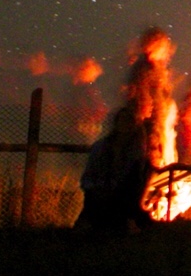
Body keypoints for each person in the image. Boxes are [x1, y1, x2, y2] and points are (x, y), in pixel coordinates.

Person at [76, 99, 153, 232]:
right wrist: (98, 188)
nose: (125, 125)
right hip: (99, 190)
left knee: (144, 167)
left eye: (129, 121)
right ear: (116, 123)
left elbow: (134, 180)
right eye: (122, 120)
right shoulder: (101, 147)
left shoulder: (136, 151)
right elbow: (88, 176)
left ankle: (127, 220)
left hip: (122, 194)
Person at [123, 26, 178, 169]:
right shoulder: (145, 68)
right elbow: (142, 94)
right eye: (162, 45)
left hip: (157, 120)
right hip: (150, 122)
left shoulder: (154, 67)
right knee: (151, 158)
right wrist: (144, 116)